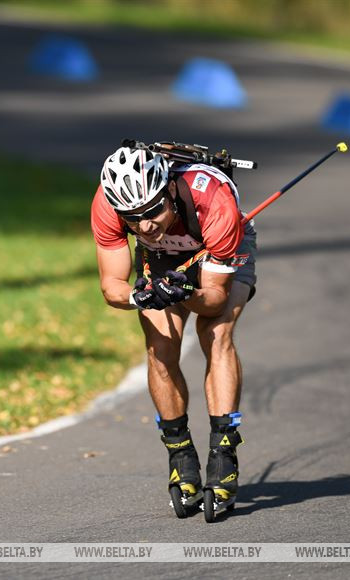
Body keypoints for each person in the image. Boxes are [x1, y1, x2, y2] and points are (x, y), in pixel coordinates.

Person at [90, 145, 257, 516]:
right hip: (159, 259)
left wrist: (186, 291)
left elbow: (213, 300)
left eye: (152, 210)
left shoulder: (213, 199)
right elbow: (111, 287)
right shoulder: (107, 203)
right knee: (160, 347)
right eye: (132, 218)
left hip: (218, 249)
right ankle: (180, 454)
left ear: (167, 190)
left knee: (216, 334)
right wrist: (143, 296)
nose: (145, 225)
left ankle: (223, 452)